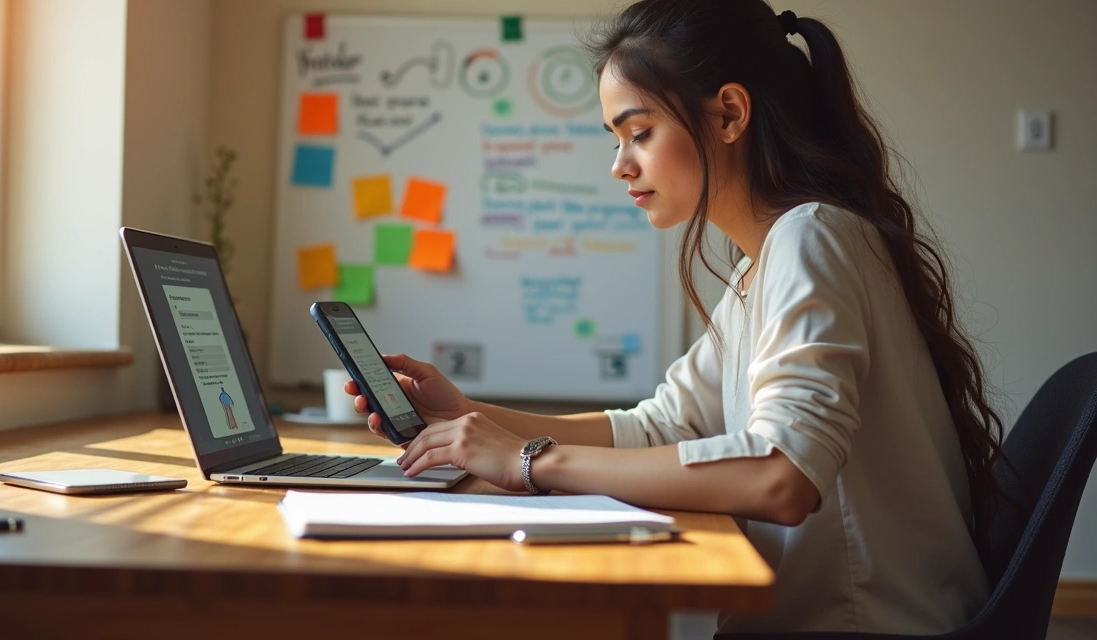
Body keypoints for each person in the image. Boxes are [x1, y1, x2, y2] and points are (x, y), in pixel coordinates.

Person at [346, 0, 1008, 634]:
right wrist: (468, 415)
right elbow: (660, 427)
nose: (618, 165)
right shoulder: (764, 264)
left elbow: (784, 476)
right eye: (615, 138)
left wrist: (528, 461)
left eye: (639, 132)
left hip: (866, 628)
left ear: (729, 114)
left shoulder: (811, 237)